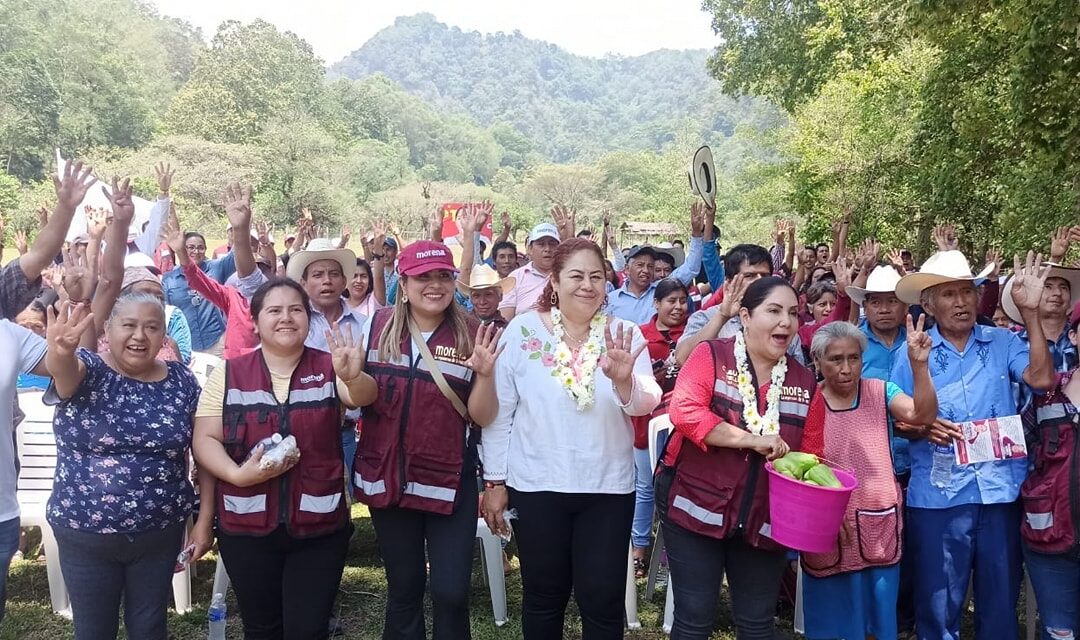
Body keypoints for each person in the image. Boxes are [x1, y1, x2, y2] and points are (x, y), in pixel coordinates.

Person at [481, 238, 661, 638]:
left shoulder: (624, 333)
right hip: (537, 484)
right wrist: (494, 481)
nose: (587, 285)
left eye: (596, 276)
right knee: (544, 595)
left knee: (602, 597)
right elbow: (500, 414)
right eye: (576, 275)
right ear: (555, 282)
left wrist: (624, 379)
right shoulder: (524, 330)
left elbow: (646, 401)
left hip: (607, 489)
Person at [891, 250, 1056, 640]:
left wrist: (1030, 313)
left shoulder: (1002, 341)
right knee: (937, 604)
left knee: (1000, 602)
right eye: (949, 294)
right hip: (939, 497)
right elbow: (899, 421)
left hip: (1000, 492)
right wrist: (922, 428)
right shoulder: (913, 349)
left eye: (967, 292)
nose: (961, 302)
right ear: (928, 304)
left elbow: (1042, 379)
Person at [192, 278, 364, 639]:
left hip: (320, 527)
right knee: (262, 627)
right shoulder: (228, 373)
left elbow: (362, 397)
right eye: (274, 310)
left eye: (296, 309)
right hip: (246, 527)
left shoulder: (332, 365)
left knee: (308, 629)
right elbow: (205, 439)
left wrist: (353, 374)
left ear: (309, 318)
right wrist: (237, 476)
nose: (286, 318)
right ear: (254, 321)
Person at [350, 240, 501, 640]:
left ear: (454, 281)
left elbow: (483, 416)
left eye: (442, 276)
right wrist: (349, 376)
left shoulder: (474, 333)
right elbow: (359, 399)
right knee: (405, 587)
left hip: (450, 479)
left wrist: (485, 374)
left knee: (451, 591)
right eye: (423, 277)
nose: (433, 285)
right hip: (390, 474)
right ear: (404, 281)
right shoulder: (377, 325)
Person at [656, 276, 816, 639]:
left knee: (758, 623)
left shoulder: (805, 382)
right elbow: (685, 412)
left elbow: (812, 453)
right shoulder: (711, 355)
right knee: (694, 617)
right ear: (744, 316)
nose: (786, 322)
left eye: (793, 313)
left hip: (766, 516)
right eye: (773, 311)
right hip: (694, 505)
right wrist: (751, 440)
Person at [799, 319, 938, 640]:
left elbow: (922, 415)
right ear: (817, 362)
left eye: (854, 358)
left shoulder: (880, 390)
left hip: (877, 524)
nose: (847, 368)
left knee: (879, 618)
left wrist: (919, 367)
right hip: (828, 527)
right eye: (836, 360)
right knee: (831, 618)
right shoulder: (807, 401)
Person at [1020, 310, 1080, 640]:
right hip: (1051, 539)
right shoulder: (1048, 395)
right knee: (1060, 633)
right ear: (1073, 338)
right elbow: (1021, 453)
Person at [630, 277, 689, 575]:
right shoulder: (642, 337)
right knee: (645, 488)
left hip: (684, 427)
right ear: (657, 303)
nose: (678, 307)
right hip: (647, 424)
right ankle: (638, 549)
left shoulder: (693, 334)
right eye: (671, 301)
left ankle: (669, 559)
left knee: (678, 491)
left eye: (682, 300)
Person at [675, 244, 808, 367]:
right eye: (749, 275)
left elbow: (799, 380)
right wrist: (722, 317)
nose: (759, 281)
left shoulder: (784, 323)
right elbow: (683, 359)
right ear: (729, 282)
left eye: (765, 276)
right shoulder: (705, 318)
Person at [608, 203, 706, 324]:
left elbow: (691, 268)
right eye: (640, 265)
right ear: (627, 269)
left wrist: (696, 234)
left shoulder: (663, 290)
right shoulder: (611, 300)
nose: (645, 270)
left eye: (650, 266)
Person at [500, 221, 561, 320]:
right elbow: (504, 319)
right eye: (541, 244)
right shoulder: (516, 277)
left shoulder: (567, 275)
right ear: (530, 249)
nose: (547, 249)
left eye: (552, 244)